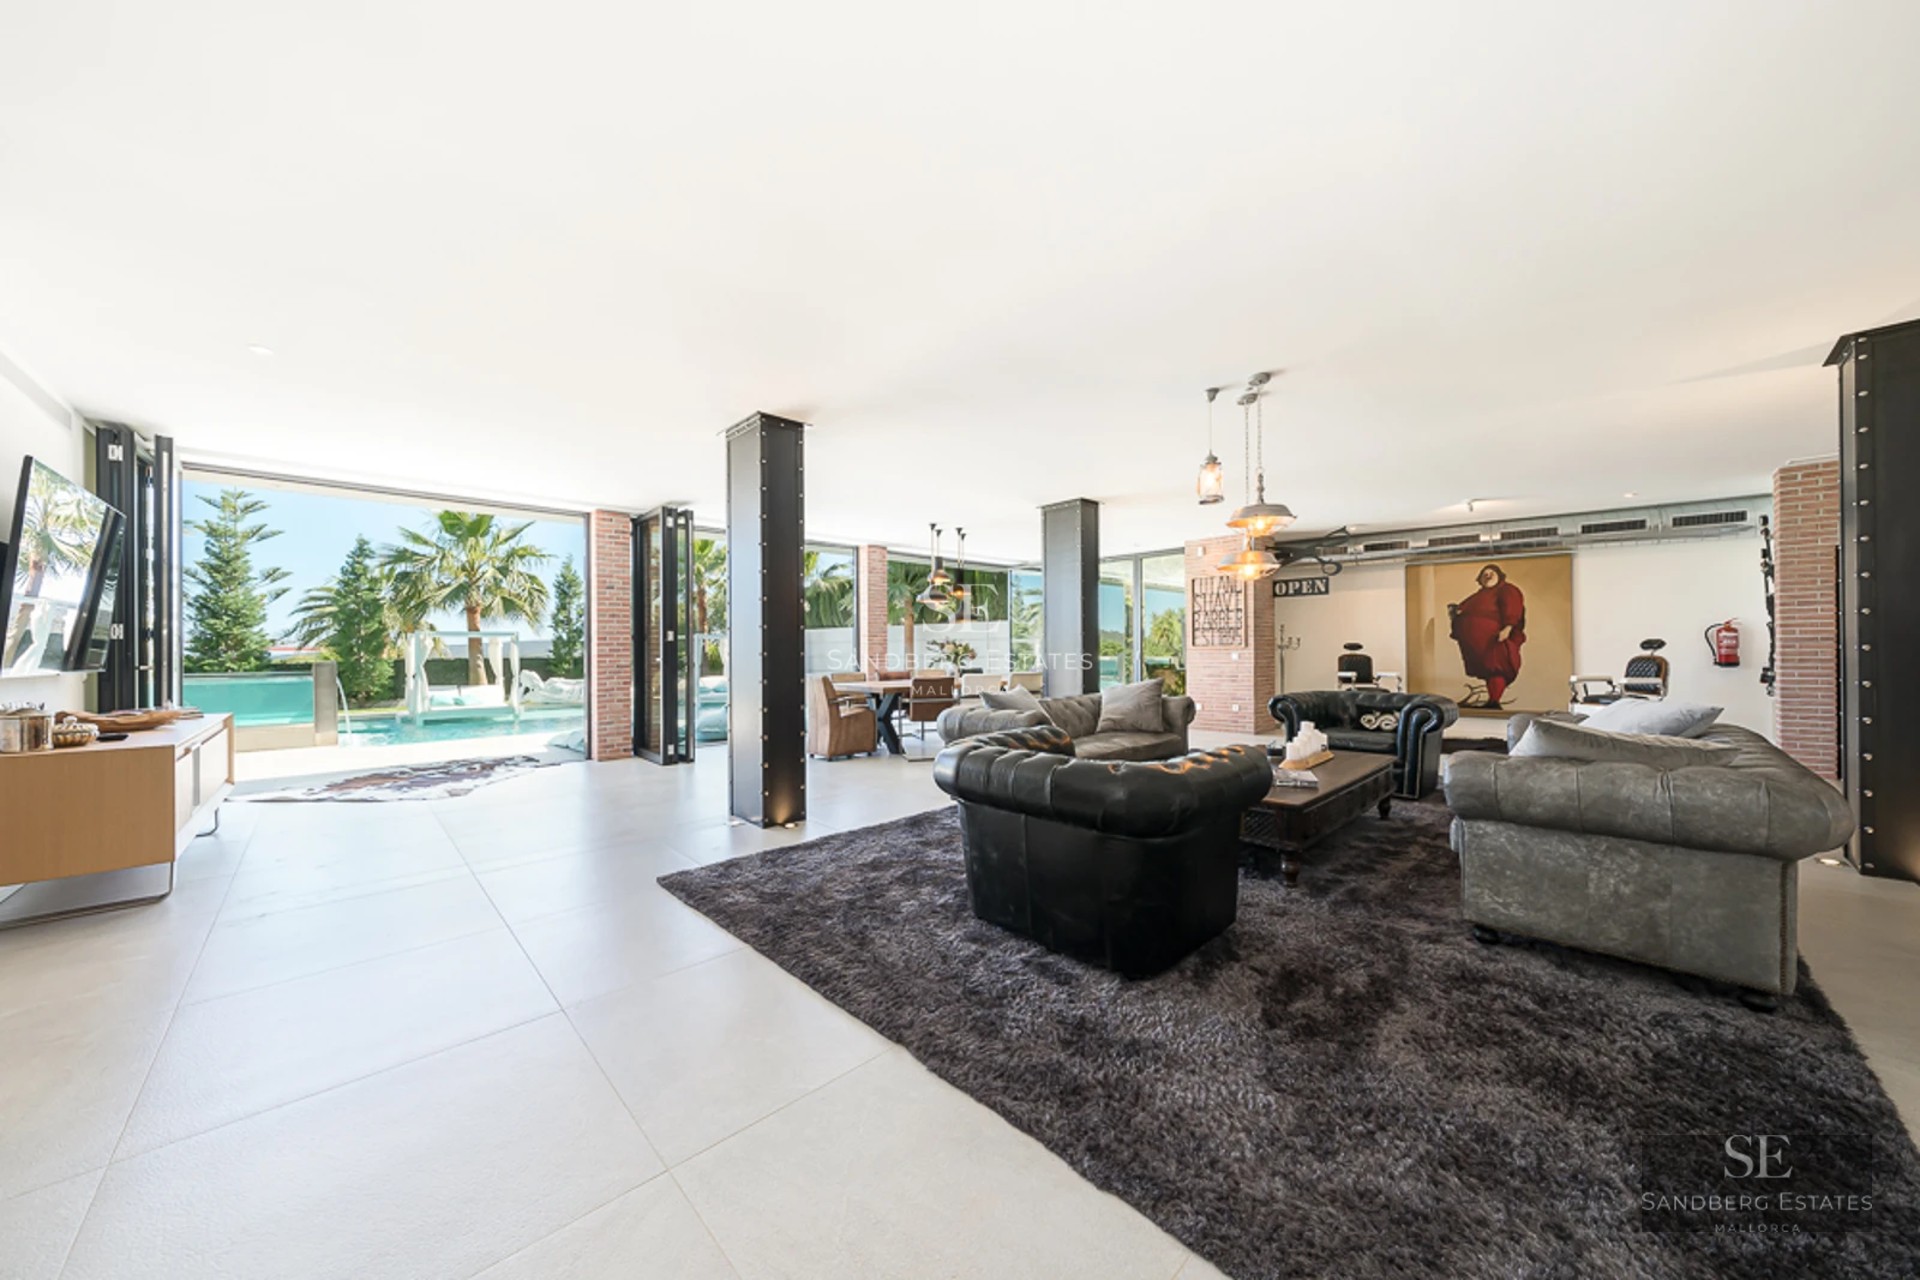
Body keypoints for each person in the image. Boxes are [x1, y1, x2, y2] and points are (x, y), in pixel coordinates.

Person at [1448, 563, 1526, 709]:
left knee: (1497, 668)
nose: (1488, 576)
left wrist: (1507, 628)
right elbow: (1463, 609)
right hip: (1477, 643)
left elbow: (1513, 608)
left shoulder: (1507, 590)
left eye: (1491, 574)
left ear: (1499, 576)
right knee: (1486, 669)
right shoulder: (1478, 596)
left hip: (1494, 639)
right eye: (1485, 574)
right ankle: (1492, 700)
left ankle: (1494, 701)